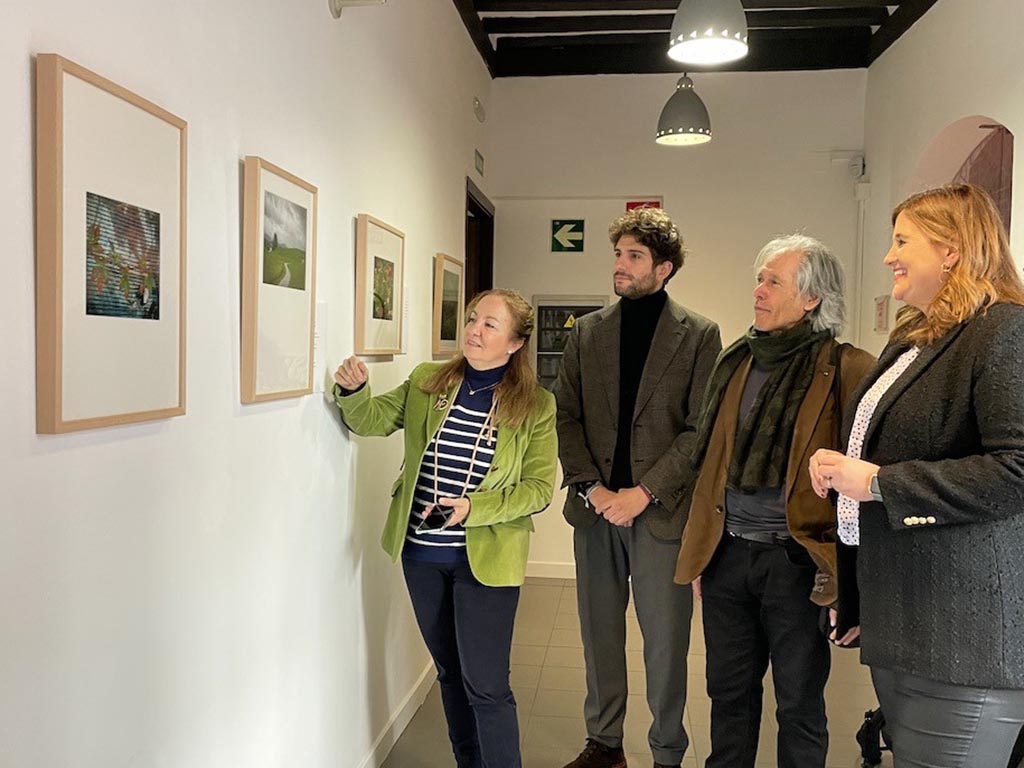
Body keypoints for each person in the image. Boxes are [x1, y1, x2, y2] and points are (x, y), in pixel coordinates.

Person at [809, 184, 1024, 767]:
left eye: (902, 240)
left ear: (952, 250)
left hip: (963, 637)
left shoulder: (1002, 330)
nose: (888, 257)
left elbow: (1016, 469)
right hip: (904, 620)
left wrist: (878, 482)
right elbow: (883, 446)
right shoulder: (915, 336)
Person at [332, 289, 557, 768]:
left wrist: (474, 508)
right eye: (473, 318)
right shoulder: (427, 381)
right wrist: (354, 391)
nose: (474, 330)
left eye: (490, 325)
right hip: (422, 554)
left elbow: (538, 489)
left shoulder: (536, 405)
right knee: (450, 675)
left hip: (487, 562)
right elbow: (371, 421)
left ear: (515, 343)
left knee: (487, 686)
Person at [674, 234, 874, 768]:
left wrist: (848, 579)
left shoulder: (847, 369)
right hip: (727, 557)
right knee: (728, 696)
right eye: (759, 280)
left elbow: (867, 482)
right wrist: (702, 551)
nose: (758, 291)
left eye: (773, 282)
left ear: (811, 299)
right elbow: (709, 463)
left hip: (797, 563)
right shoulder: (736, 361)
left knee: (800, 704)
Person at [554, 207, 721, 768]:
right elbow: (567, 417)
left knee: (666, 643)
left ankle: (667, 750)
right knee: (599, 636)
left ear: (664, 268)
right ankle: (603, 743)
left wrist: (643, 493)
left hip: (660, 514)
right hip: (596, 511)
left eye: (634, 257)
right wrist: (593, 491)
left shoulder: (699, 335)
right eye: (618, 254)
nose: (619, 266)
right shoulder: (587, 333)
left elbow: (701, 429)